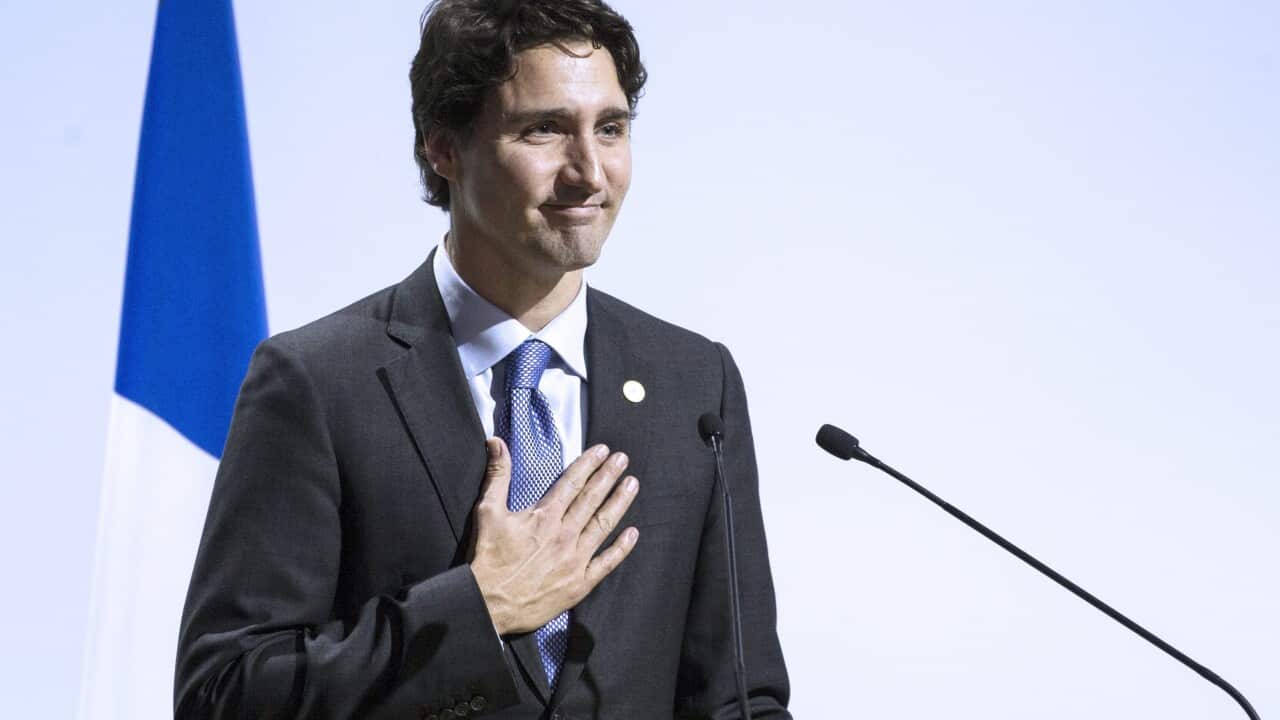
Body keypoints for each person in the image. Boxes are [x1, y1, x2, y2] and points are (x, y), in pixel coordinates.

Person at [175, 1, 791, 717]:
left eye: (612, 129)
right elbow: (225, 696)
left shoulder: (694, 383)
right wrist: (478, 606)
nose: (590, 173)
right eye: (544, 129)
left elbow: (738, 699)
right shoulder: (315, 382)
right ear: (444, 147)